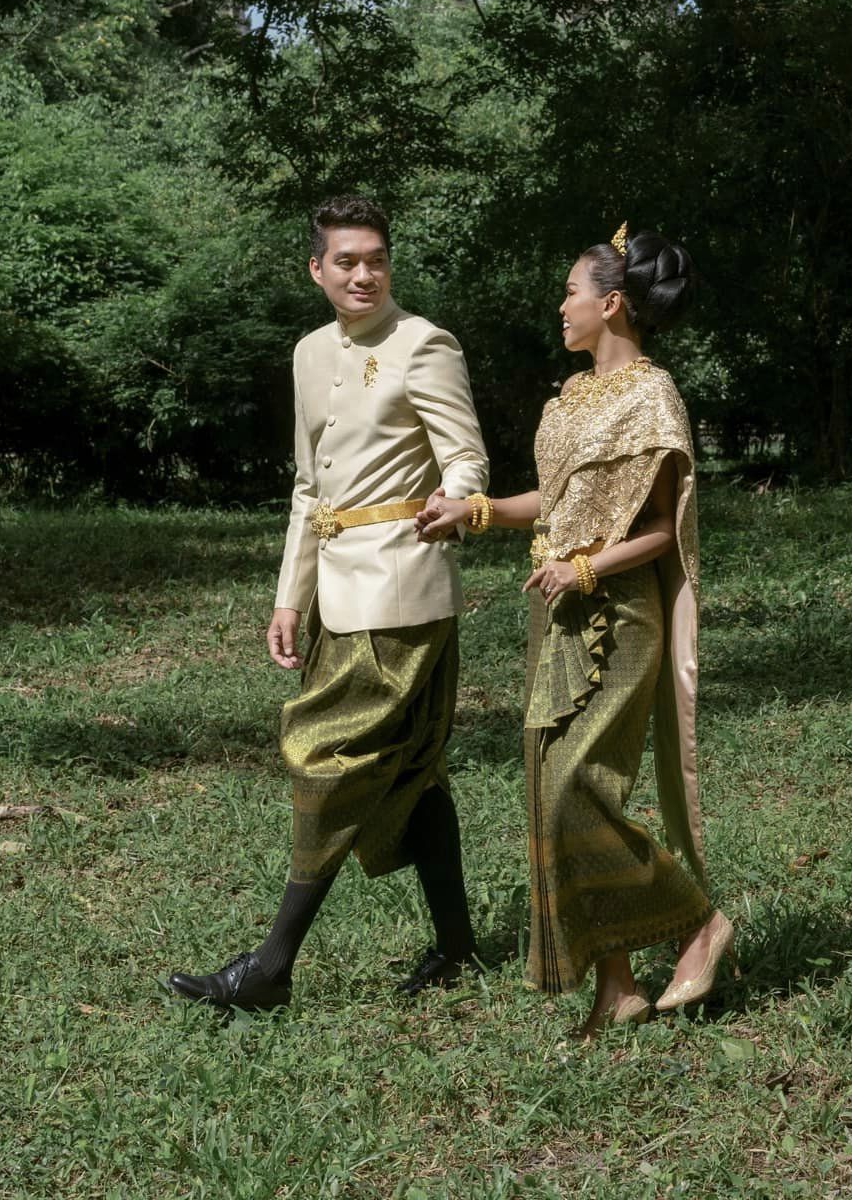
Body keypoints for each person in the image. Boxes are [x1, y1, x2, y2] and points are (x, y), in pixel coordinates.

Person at [168, 194, 489, 1014]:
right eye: (346, 261)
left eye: (376, 259)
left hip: (402, 588)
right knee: (411, 772)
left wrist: (456, 501)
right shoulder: (309, 352)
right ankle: (459, 948)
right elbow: (309, 488)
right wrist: (290, 597)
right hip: (335, 592)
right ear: (317, 269)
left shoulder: (425, 343)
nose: (363, 274)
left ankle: (270, 968)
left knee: (325, 756)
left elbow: (466, 457)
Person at [418, 224, 733, 1037]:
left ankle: (699, 922)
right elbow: (552, 506)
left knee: (574, 791)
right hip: (555, 612)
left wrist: (586, 569)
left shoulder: (653, 397)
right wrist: (475, 511)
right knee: (546, 791)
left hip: (619, 617)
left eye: (570, 292)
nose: (561, 306)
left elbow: (662, 529)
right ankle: (617, 988)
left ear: (612, 303)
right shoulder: (570, 395)